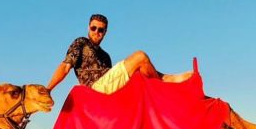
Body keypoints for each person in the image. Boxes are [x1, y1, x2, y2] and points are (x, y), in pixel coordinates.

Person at [47, 13, 191, 94]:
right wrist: (48, 89)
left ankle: (169, 78)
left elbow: (114, 81)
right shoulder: (81, 42)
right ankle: (162, 86)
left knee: (140, 71)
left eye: (101, 30)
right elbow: (65, 67)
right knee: (140, 57)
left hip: (108, 84)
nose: (96, 32)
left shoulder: (105, 55)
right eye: (94, 28)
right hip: (96, 87)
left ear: (105, 33)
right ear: (88, 28)